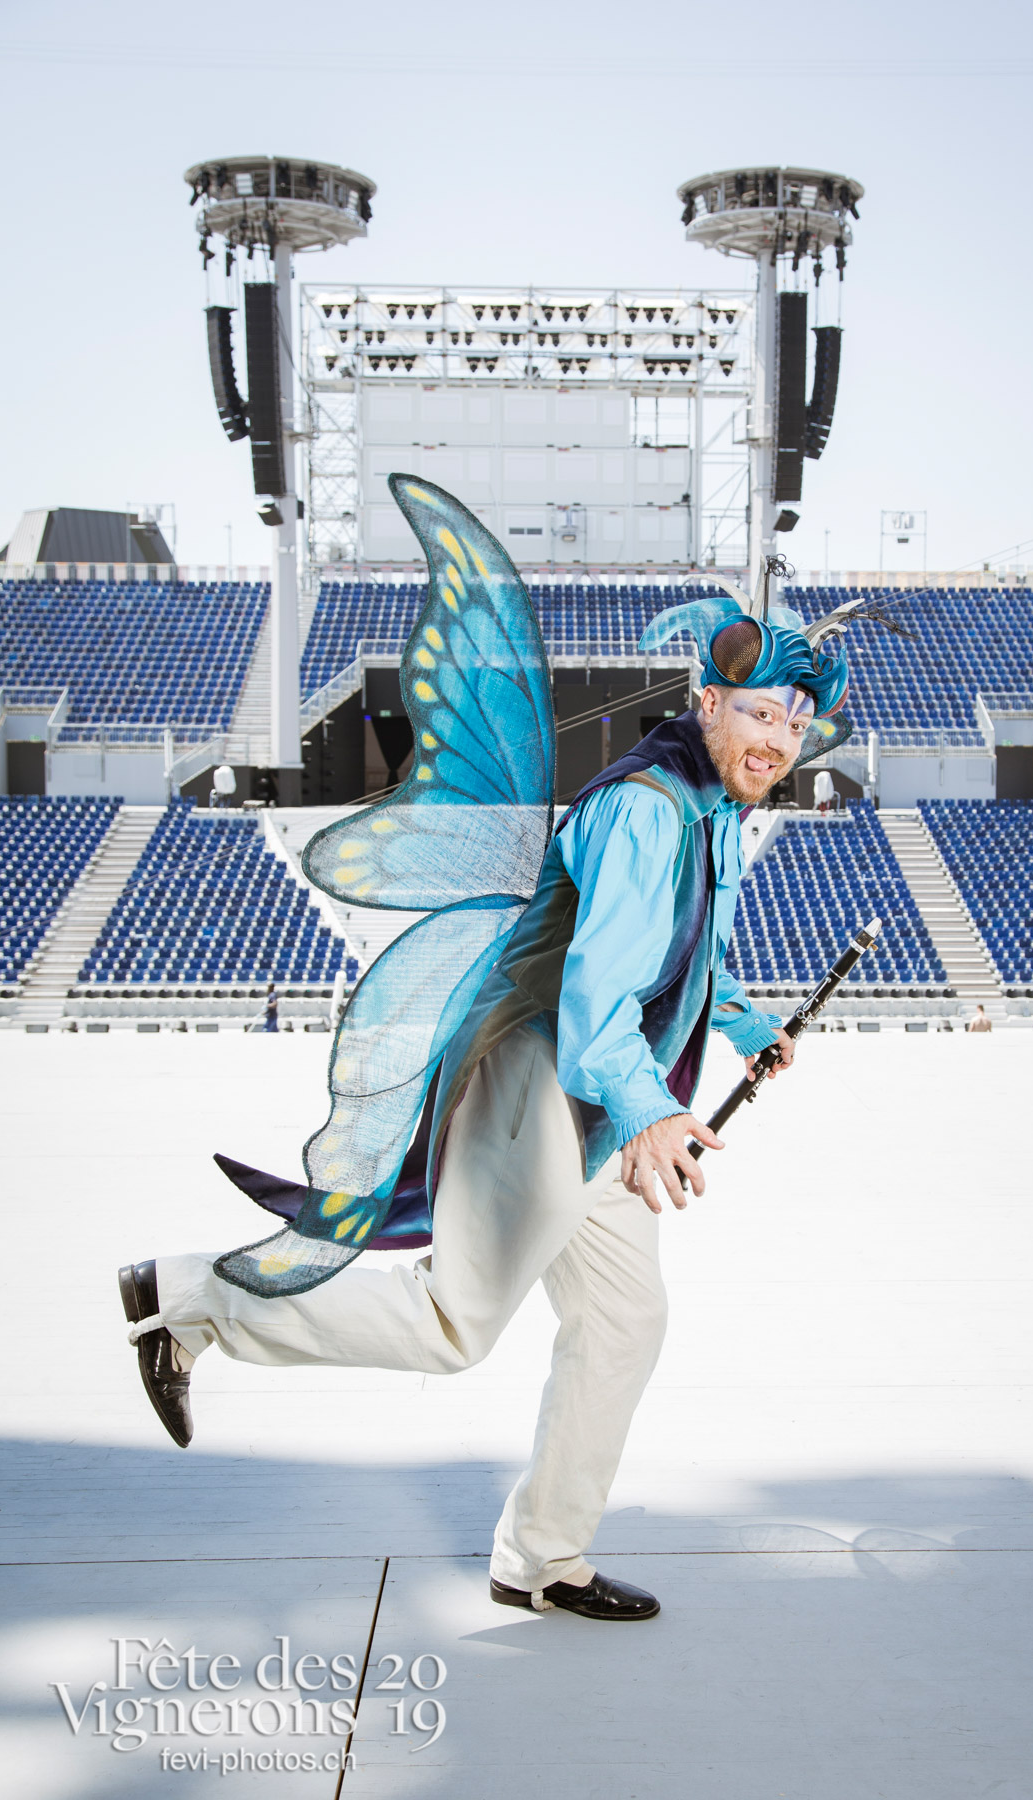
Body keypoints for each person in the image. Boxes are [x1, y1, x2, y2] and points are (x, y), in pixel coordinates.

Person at [119, 497, 860, 1624]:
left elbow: (682, 951)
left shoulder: (711, 809)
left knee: (623, 1321)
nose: (777, 740)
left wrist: (748, 1026)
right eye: (759, 713)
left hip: (607, 1107)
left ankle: (540, 1558)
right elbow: (597, 992)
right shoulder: (652, 812)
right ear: (704, 700)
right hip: (546, 1086)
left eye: (794, 728)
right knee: (451, 1324)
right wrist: (655, 1110)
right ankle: (186, 1297)